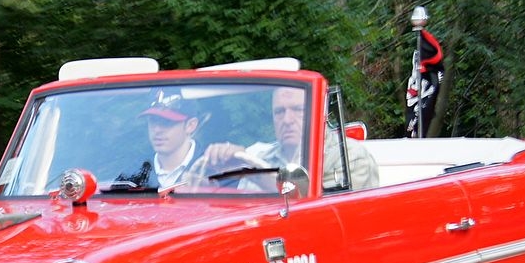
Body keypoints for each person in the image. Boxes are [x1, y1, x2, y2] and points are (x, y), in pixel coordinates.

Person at [200, 86, 378, 191]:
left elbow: (321, 215)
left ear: (319, 113)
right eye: (279, 112)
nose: (287, 120)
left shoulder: (349, 157)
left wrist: (256, 174)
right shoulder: (259, 156)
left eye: (298, 110)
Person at [138, 88, 202, 189]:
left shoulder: (215, 169)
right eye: (153, 120)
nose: (157, 129)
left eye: (166, 122)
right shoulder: (133, 175)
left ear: (190, 125)